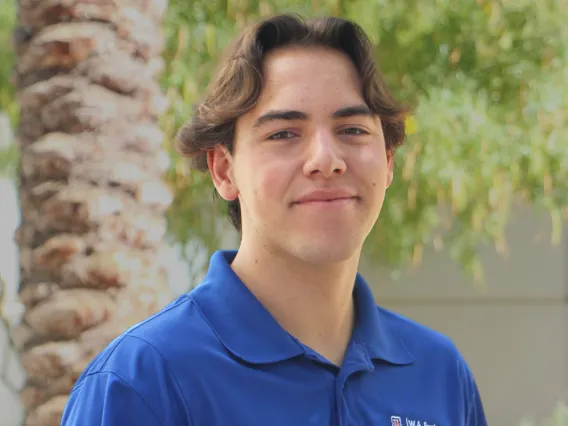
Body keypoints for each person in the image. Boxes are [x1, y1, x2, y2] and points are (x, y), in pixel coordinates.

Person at [61, 13, 487, 426]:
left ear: (389, 162)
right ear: (224, 171)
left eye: (352, 130)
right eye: (283, 134)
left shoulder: (439, 375)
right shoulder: (144, 380)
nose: (326, 160)